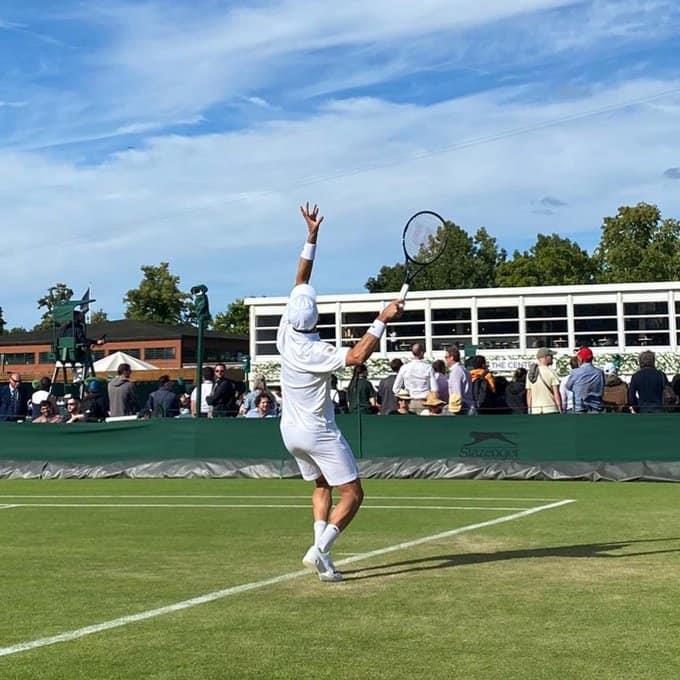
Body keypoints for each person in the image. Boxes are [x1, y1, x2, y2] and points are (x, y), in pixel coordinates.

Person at [276, 202, 403, 582]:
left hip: (289, 434)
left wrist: (311, 236)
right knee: (353, 494)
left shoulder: (285, 329)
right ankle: (320, 549)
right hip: (318, 433)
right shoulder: (319, 352)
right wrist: (381, 319)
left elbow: (301, 277)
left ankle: (323, 560)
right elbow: (358, 354)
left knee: (320, 485)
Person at [392, 343, 437, 414]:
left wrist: (405, 395)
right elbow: (435, 389)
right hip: (424, 402)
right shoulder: (428, 367)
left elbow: (395, 388)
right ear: (422, 353)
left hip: (409, 402)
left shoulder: (404, 368)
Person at [565, 347, 604, 413]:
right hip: (596, 406)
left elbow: (568, 386)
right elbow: (602, 387)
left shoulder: (575, 372)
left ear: (580, 358)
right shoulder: (599, 372)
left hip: (580, 407)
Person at [526, 348, 562, 415]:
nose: (552, 358)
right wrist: (560, 408)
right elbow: (556, 393)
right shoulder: (551, 372)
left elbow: (529, 394)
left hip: (535, 410)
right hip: (551, 408)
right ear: (545, 357)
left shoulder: (531, 373)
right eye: (551, 356)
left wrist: (529, 409)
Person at [444, 346, 473, 415]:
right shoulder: (462, 369)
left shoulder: (456, 372)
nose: (445, 360)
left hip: (461, 409)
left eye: (446, 357)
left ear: (452, 357)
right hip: (467, 406)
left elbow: (456, 394)